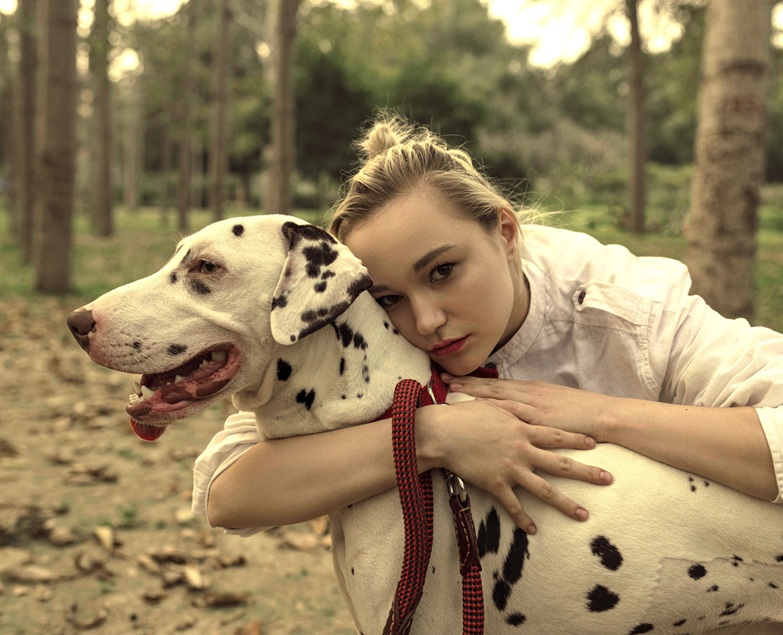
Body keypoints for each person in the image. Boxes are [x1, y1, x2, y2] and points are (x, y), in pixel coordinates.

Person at [193, 114, 783, 538]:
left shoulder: (626, 306)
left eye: (444, 271)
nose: (424, 321)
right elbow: (229, 493)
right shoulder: (364, 324)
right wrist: (432, 436)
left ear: (504, 232)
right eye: (392, 296)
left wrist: (601, 416)